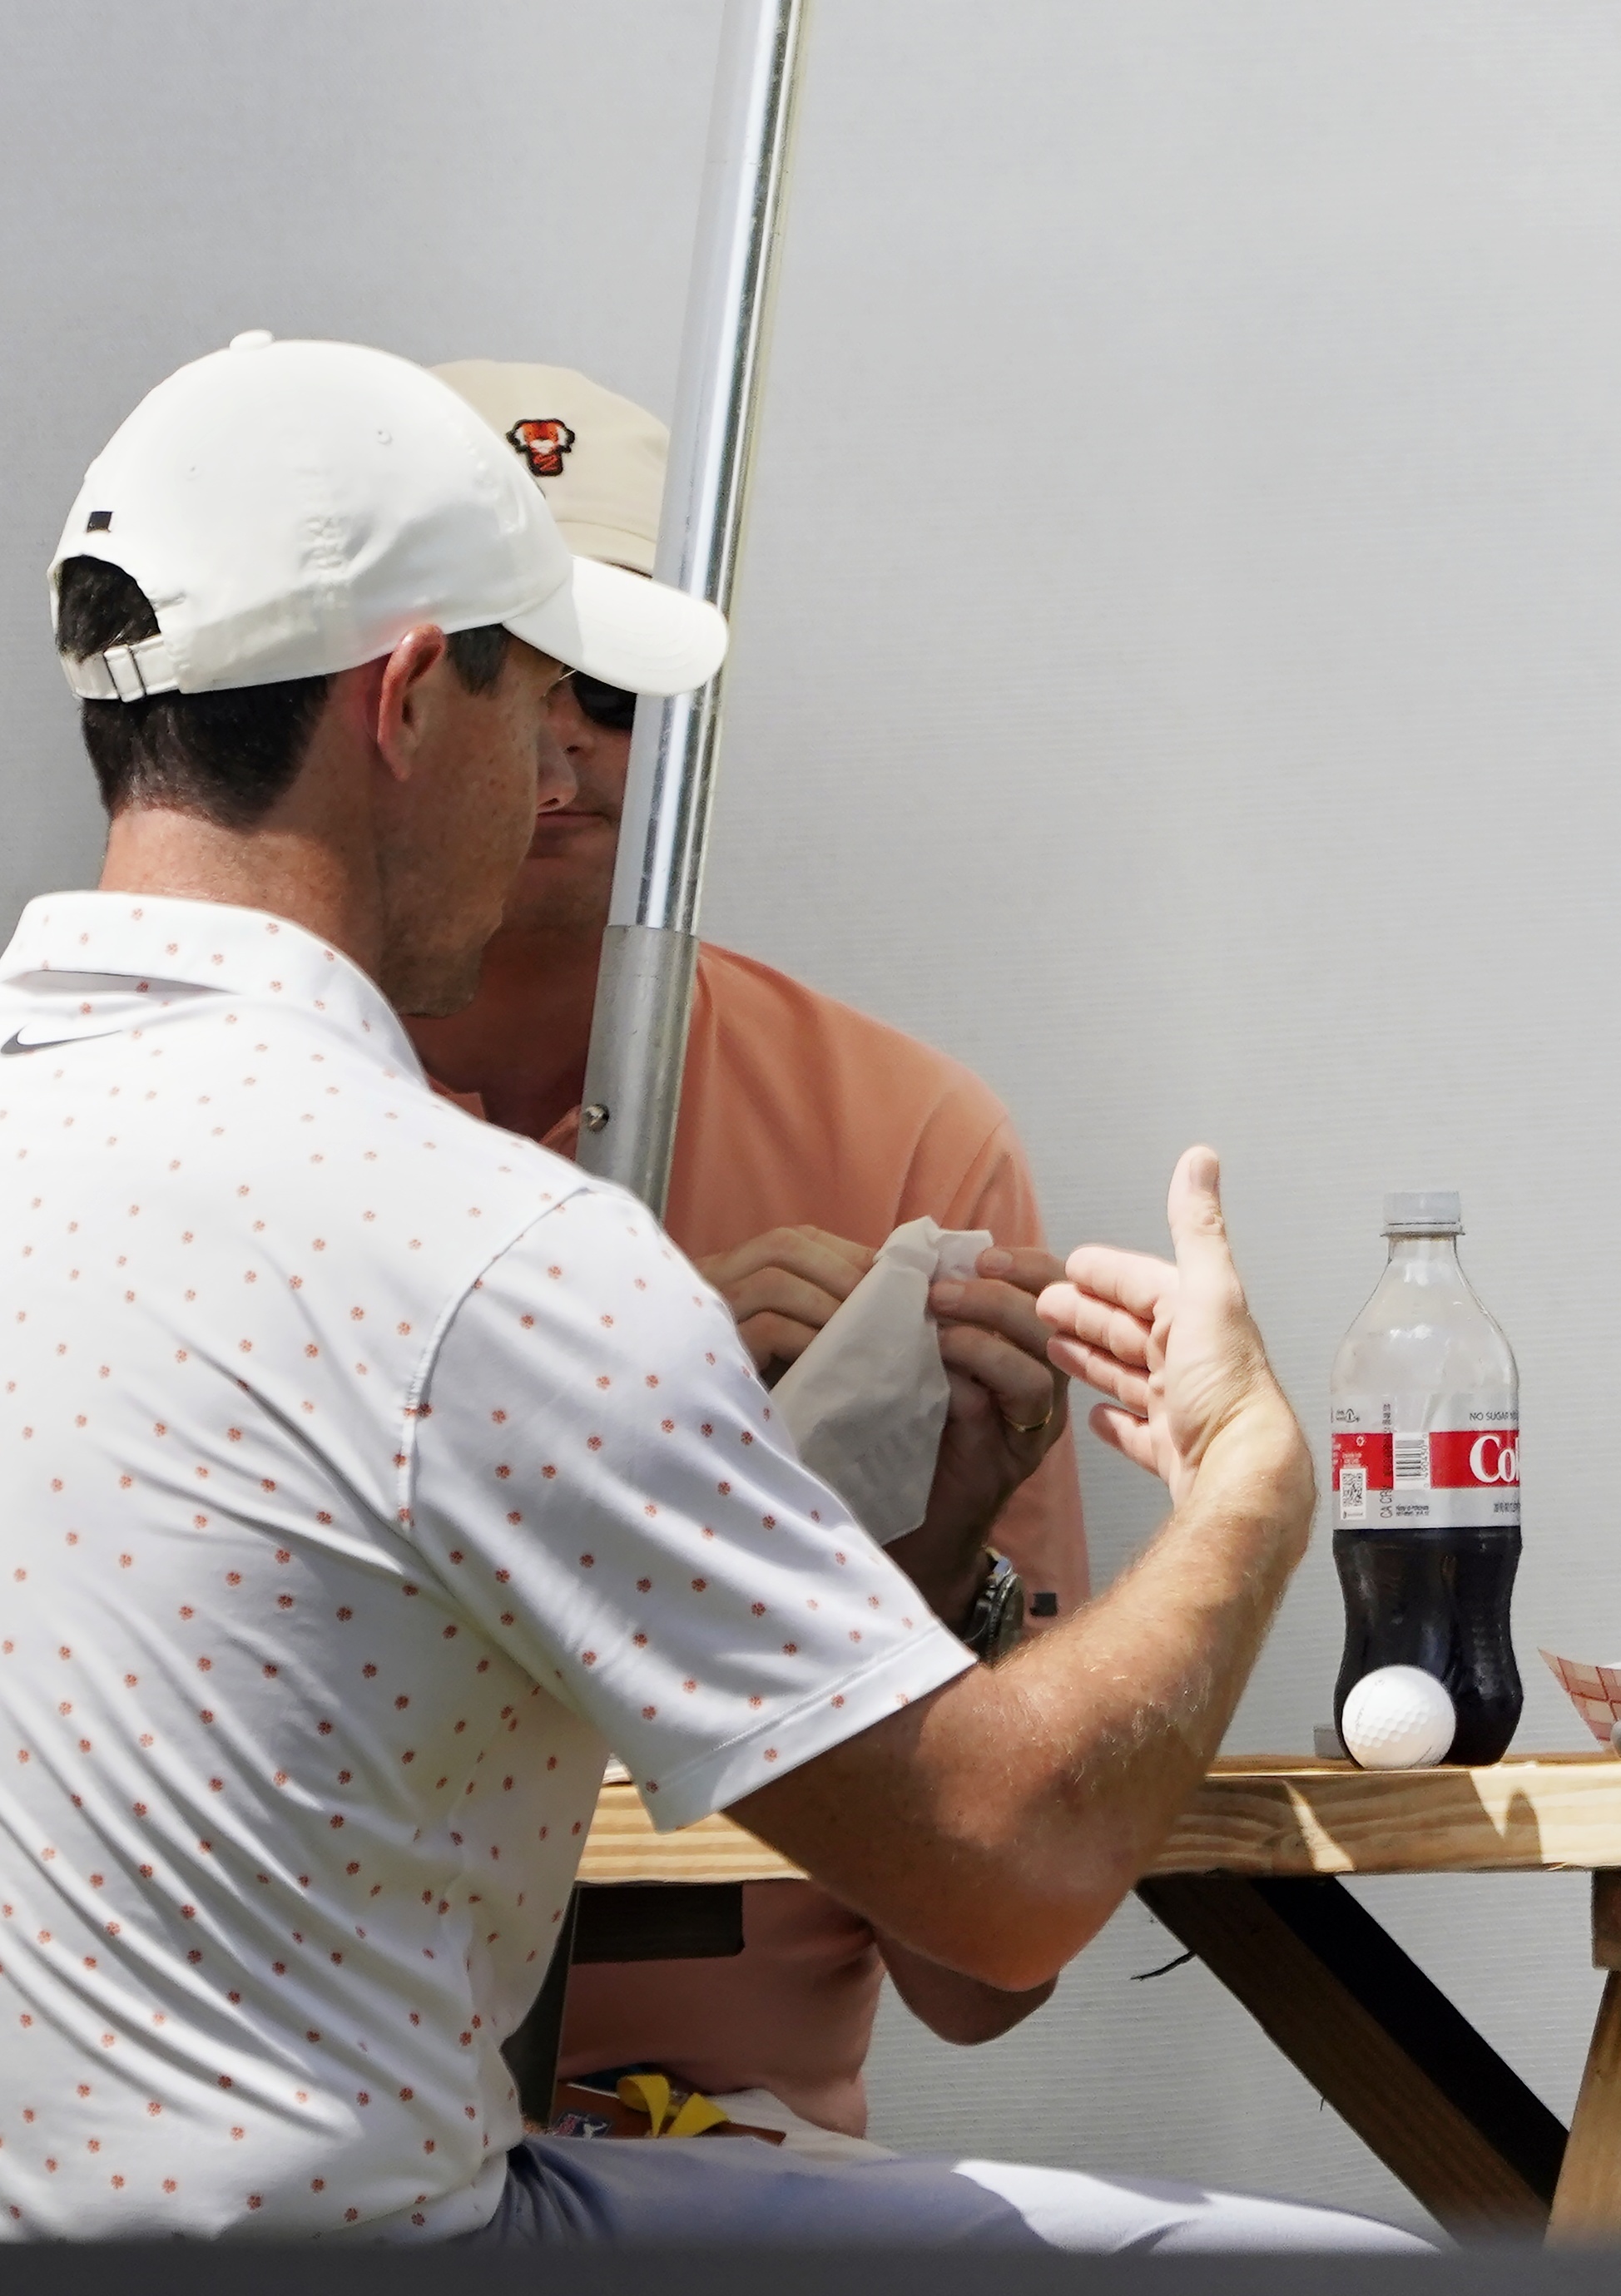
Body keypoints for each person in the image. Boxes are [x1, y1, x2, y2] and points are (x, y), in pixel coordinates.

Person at [0, 331, 1413, 2249]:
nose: (561, 757)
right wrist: (1247, 1486)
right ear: (410, 701)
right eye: (529, 689)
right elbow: (1017, 1870)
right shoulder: (490, 1245)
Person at [412, 360, 1083, 2142]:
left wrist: (923, 1564)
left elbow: (994, 1968)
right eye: (490, 663)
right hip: (328, 2171)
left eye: (618, 681)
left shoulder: (910, 1141)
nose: (556, 741)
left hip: (751, 2169)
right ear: (383, 704)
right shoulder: (227, 1138)